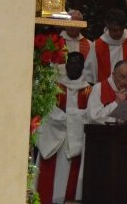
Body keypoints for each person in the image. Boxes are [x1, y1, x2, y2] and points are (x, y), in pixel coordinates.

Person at [36, 52, 92, 204]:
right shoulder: (55, 87)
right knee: (48, 182)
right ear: (66, 66)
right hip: (54, 139)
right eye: (71, 63)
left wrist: (69, 117)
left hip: (74, 143)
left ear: (82, 67)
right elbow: (48, 110)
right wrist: (72, 118)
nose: (74, 66)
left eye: (77, 63)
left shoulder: (88, 91)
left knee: (69, 182)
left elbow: (89, 115)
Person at [82, 8, 127, 85]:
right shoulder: (97, 45)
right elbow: (88, 74)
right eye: (114, 30)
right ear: (107, 26)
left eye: (121, 29)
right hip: (105, 91)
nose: (118, 33)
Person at [86, 60, 127, 124]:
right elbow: (93, 118)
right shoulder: (99, 88)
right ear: (113, 75)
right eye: (122, 77)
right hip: (103, 132)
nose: (126, 82)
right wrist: (116, 102)